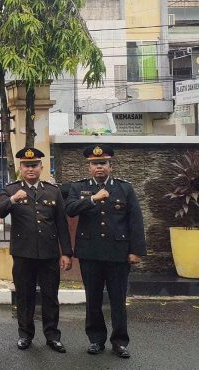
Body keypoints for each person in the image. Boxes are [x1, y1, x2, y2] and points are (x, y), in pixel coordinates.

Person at [65, 144, 146, 359]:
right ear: (88, 167)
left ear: (110, 166)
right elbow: (69, 209)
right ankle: (96, 340)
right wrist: (92, 199)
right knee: (92, 299)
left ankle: (119, 342)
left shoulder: (124, 188)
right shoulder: (78, 188)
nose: (99, 167)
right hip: (90, 253)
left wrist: (135, 251)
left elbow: (135, 221)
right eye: (94, 164)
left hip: (117, 254)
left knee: (118, 299)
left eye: (103, 163)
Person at [0, 147, 73, 353]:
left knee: (50, 296)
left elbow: (61, 224)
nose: (30, 169)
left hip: (48, 253)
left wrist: (66, 252)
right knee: (24, 296)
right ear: (20, 167)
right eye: (26, 165)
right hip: (23, 253)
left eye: (34, 165)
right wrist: (12, 199)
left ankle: (52, 336)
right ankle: (25, 335)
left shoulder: (52, 190)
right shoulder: (11, 189)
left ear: (41, 167)